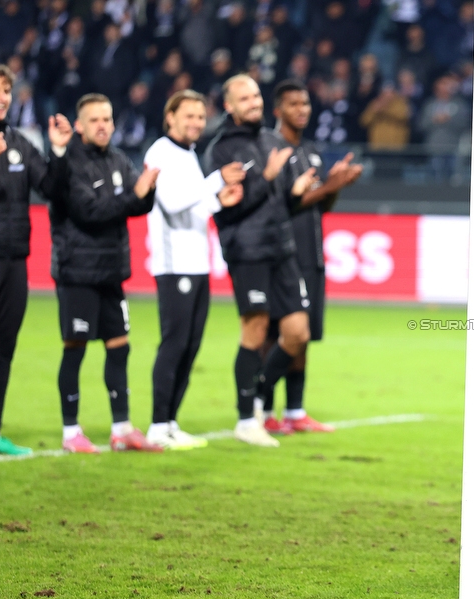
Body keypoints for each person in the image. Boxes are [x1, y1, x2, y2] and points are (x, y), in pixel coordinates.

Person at [202, 74, 317, 447]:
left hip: (282, 248)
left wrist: (294, 192)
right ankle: (245, 420)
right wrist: (266, 178)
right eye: (244, 98)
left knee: (298, 333)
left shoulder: (271, 140)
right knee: (254, 331)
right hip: (248, 251)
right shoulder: (220, 151)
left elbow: (279, 200)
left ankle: (257, 395)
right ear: (229, 106)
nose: (253, 102)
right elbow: (227, 211)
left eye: (255, 96)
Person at [50, 93, 162, 454]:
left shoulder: (117, 159)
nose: (103, 126)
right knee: (75, 349)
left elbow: (138, 204)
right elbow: (89, 212)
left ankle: (121, 429)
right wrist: (135, 195)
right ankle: (71, 432)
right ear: (79, 126)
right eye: (95, 120)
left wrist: (147, 190)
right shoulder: (68, 164)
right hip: (78, 272)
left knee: (119, 347)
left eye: (107, 119)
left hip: (112, 272)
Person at [142, 89, 246, 450]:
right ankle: (158, 427)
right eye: (188, 115)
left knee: (190, 345)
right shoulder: (160, 152)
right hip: (174, 265)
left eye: (201, 117)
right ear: (170, 117)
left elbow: (194, 208)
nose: (196, 123)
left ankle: (171, 422)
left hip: (197, 263)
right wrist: (216, 181)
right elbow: (171, 203)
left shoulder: (188, 155)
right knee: (174, 343)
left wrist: (217, 201)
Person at [259, 79, 362, 435]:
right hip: (283, 254)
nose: (302, 109)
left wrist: (336, 184)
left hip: (311, 254)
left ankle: (294, 411)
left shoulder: (309, 150)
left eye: (305, 103)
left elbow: (320, 206)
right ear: (278, 110)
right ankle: (261, 406)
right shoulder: (273, 149)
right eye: (293, 104)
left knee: (305, 337)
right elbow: (287, 202)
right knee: (279, 333)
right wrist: (331, 185)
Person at [0, 60, 72, 456]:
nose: (2, 97)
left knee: (3, 347)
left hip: (15, 258)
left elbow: (51, 187)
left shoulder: (19, 141)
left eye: (6, 90)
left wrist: (58, 150)